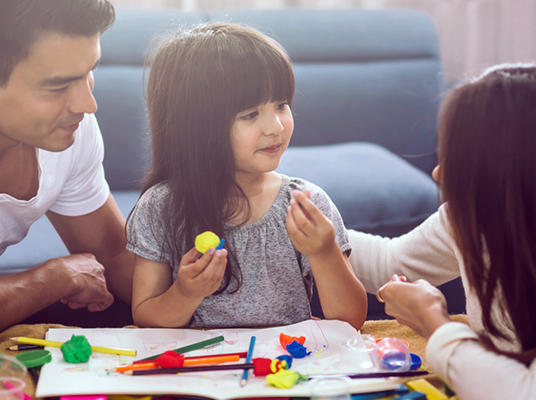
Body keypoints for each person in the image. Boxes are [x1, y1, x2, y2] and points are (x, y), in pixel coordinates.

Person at [127, 23, 367, 330]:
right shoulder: (160, 208)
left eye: (281, 105)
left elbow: (350, 321)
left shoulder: (307, 204)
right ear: (198, 127)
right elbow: (146, 319)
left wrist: (324, 251)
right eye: (250, 114)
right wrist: (186, 292)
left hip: (287, 369)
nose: (276, 127)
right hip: (202, 372)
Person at [349, 63, 536, 399]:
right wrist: (311, 227)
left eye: (463, 160)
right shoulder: (472, 218)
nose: (439, 174)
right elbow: (391, 262)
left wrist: (433, 323)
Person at [0, 0, 134, 331]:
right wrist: (52, 279)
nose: (88, 105)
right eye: (58, 87)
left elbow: (113, 258)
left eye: (89, 72)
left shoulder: (71, 131)